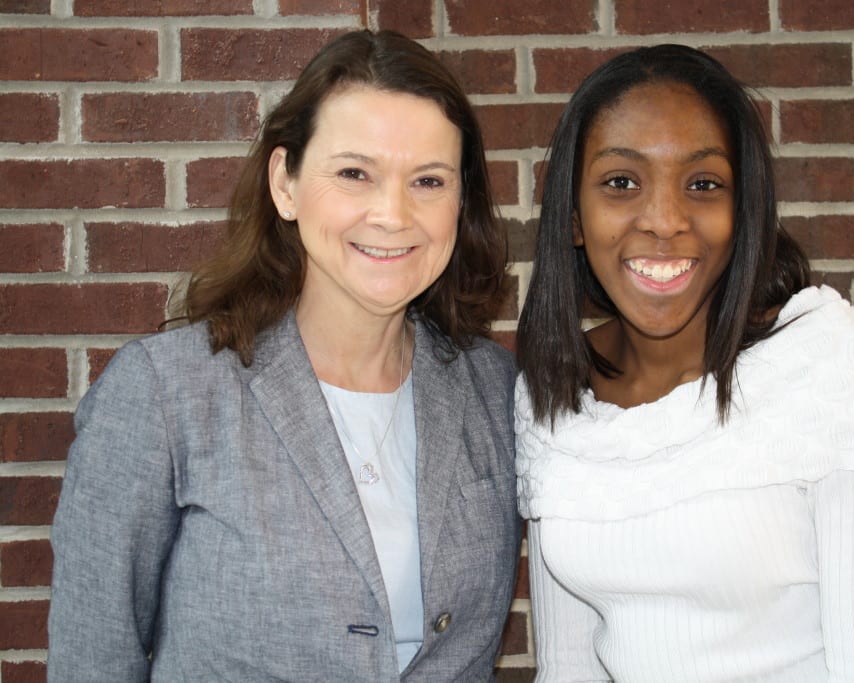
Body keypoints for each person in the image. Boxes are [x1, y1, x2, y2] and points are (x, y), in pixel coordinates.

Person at [48, 30, 519, 682]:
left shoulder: (493, 389)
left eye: (429, 180)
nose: (392, 213)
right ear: (285, 183)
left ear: (459, 201)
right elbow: (91, 661)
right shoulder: (164, 394)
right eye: (355, 173)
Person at [515, 44, 854, 682]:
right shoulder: (554, 388)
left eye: (703, 184)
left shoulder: (827, 364)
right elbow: (568, 669)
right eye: (621, 182)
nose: (663, 221)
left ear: (745, 213)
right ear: (574, 216)